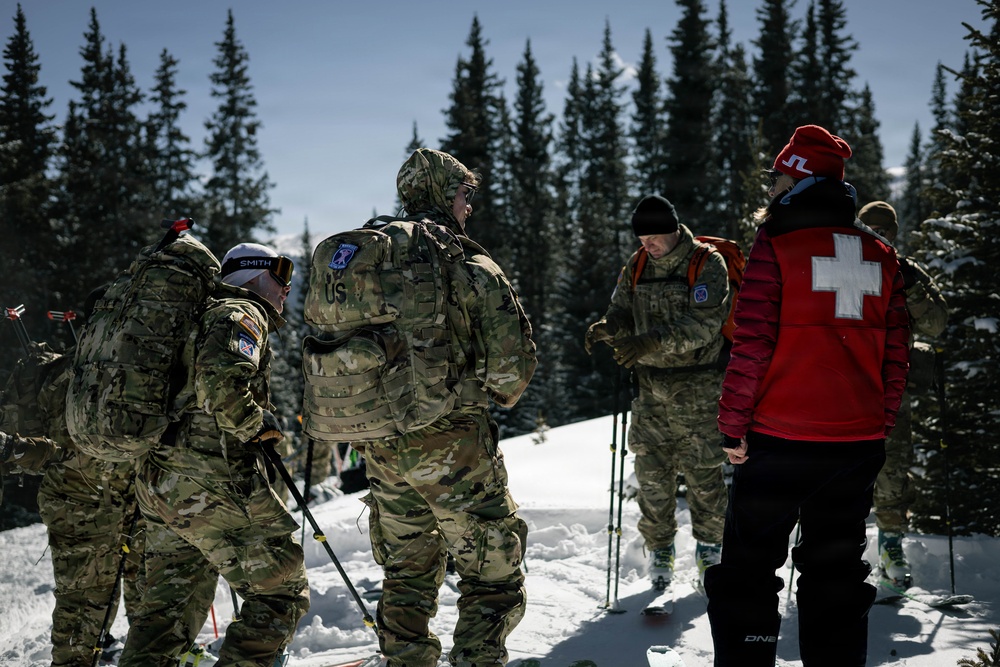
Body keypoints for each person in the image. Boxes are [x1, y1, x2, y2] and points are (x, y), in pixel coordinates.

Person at [706, 125, 910, 667]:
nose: (769, 185)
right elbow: (896, 353)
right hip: (855, 443)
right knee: (837, 571)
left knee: (748, 572)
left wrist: (732, 426)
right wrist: (879, 422)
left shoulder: (776, 242)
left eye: (776, 176)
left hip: (780, 438)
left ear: (797, 178)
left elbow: (752, 341)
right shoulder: (880, 252)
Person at [360, 148, 536, 667]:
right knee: (493, 576)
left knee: (406, 576)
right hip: (453, 447)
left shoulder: (369, 261)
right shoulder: (469, 265)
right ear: (444, 194)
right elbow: (510, 375)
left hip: (381, 447)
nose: (469, 207)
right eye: (465, 194)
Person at [118, 242, 309, 667]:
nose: (286, 286)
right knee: (281, 588)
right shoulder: (240, 313)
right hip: (209, 481)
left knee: (168, 611)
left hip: (160, 483)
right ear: (253, 274)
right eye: (280, 274)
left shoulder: (195, 316)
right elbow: (222, 388)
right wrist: (259, 426)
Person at [585, 194, 730, 590]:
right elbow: (622, 308)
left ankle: (711, 550)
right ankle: (661, 550)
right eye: (641, 237)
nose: (647, 243)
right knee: (652, 477)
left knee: (704, 477)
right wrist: (608, 326)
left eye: (653, 236)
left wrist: (650, 341)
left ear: (672, 230)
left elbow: (705, 324)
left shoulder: (706, 263)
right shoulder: (638, 264)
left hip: (699, 390)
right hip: (650, 392)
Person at [1, 296, 145, 667]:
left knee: (99, 597)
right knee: (85, 601)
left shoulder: (72, 368)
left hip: (104, 498)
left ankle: (100, 649)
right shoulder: (80, 374)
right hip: (84, 501)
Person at [858, 200, 949, 588]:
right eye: (870, 229)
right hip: (843, 385)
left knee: (892, 474)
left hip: (890, 389)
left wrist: (912, 288)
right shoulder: (841, 263)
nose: (879, 236)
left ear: (896, 234)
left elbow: (936, 324)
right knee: (838, 475)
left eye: (886, 231)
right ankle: (838, 552)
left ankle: (891, 549)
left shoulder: (907, 271)